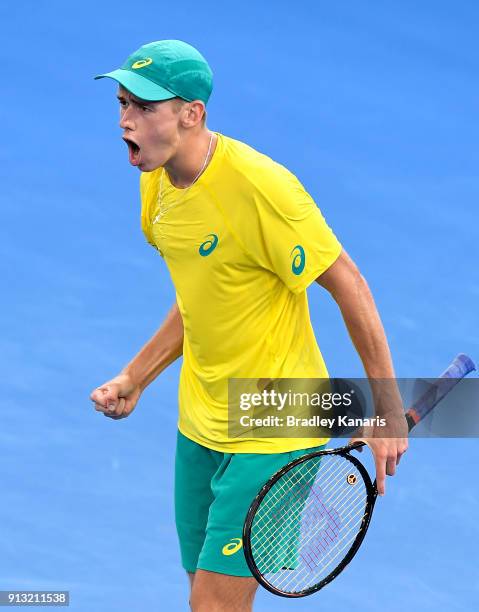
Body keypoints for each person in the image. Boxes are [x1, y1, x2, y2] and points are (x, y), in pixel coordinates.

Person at [90, 39, 408, 612]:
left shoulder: (262, 189)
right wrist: (137, 376)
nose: (125, 121)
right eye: (121, 104)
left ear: (192, 114)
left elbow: (349, 283)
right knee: (203, 595)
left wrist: (384, 407)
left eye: (144, 108)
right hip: (203, 418)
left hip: (275, 419)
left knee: (213, 606)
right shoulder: (155, 184)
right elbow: (202, 298)